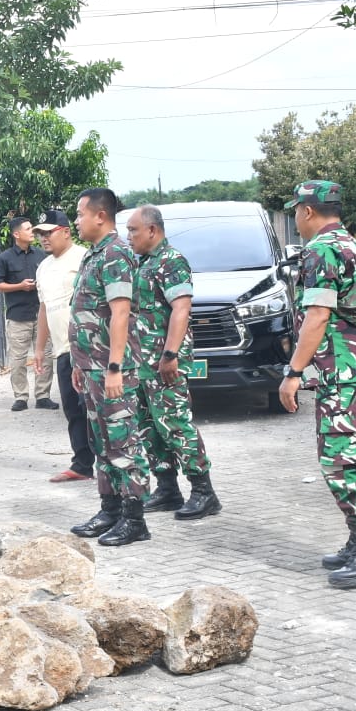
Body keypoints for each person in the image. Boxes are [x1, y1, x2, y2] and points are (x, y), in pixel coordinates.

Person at [277, 180, 356, 589]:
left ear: (307, 211)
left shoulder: (322, 250)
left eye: (296, 210)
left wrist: (293, 373)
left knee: (343, 462)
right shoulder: (352, 244)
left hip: (348, 373)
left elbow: (318, 316)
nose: (295, 218)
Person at [67, 188, 151, 547]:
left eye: (80, 214)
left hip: (111, 369)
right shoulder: (94, 255)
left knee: (123, 441)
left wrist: (115, 366)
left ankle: (135, 519)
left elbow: (120, 313)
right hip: (92, 368)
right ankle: (110, 509)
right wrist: (79, 363)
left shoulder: (116, 254)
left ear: (100, 216)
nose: (76, 220)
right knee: (101, 442)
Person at [125, 205, 221, 520]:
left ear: (152, 230)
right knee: (150, 428)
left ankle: (204, 492)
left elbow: (181, 309)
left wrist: (170, 354)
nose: (129, 237)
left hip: (163, 362)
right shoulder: (142, 263)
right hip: (141, 363)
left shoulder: (172, 261)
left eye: (133, 230)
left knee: (176, 425)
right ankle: (167, 488)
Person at [31, 209, 96, 483]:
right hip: (62, 350)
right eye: (40, 234)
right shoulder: (43, 267)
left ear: (66, 232)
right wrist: (39, 349)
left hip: (88, 348)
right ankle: (81, 465)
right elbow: (44, 309)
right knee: (72, 408)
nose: (44, 238)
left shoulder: (83, 258)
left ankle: (110, 464)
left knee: (91, 407)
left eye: (49, 232)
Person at [0, 216, 57, 411]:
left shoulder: (42, 255)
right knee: (18, 360)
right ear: (16, 234)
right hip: (18, 316)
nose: (33, 232)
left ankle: (43, 395)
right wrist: (19, 286)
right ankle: (21, 397)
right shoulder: (5, 258)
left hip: (41, 315)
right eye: (29, 229)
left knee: (45, 356)